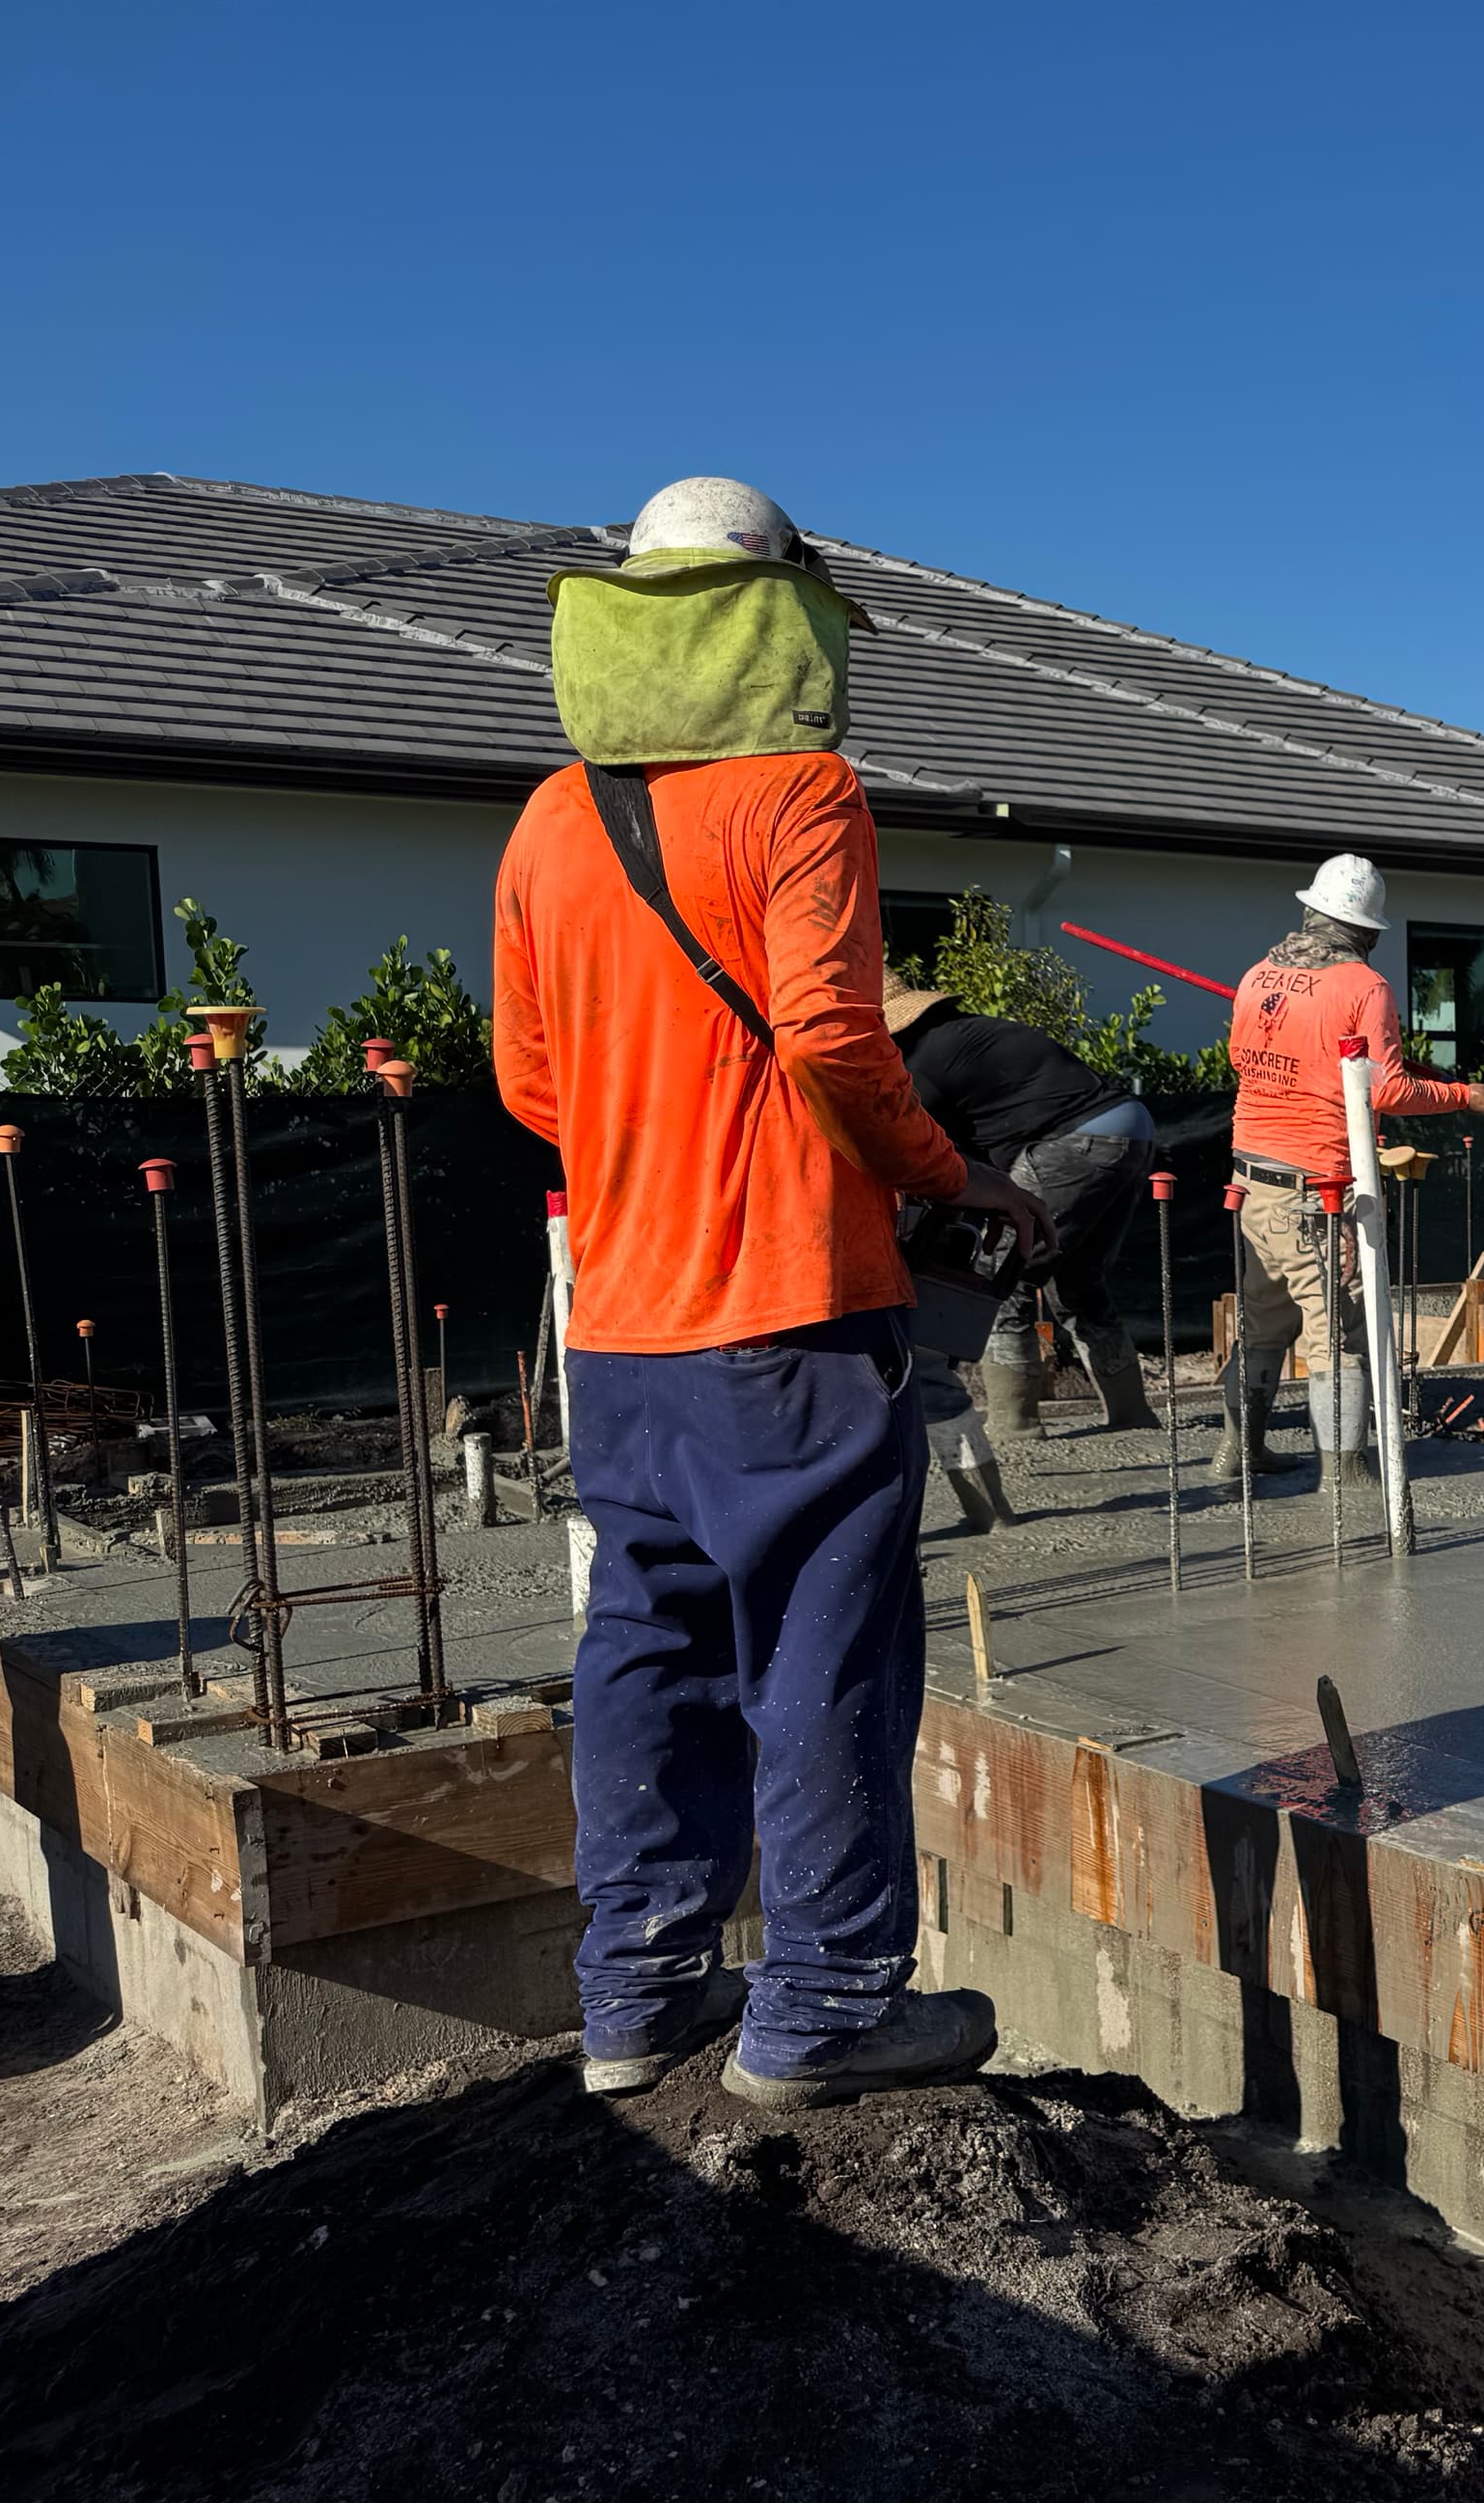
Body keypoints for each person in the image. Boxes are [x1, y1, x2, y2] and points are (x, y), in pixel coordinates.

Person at [496, 474, 1051, 2108]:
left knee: (644, 1643)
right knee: (826, 1644)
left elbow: (534, 1085)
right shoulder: (803, 795)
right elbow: (829, 1032)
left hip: (620, 1324)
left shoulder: (551, 818)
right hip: (794, 1313)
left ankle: (639, 1995)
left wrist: (655, 1136)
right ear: (779, 617)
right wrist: (951, 1178)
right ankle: (820, 2008)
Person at [1224, 853, 1484, 1472]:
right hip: (1318, 1186)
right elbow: (1387, 1090)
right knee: (1338, 1335)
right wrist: (1463, 1097)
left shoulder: (1257, 975)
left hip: (1250, 1177)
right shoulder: (1364, 987)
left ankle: (1236, 1454)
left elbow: (1244, 1057)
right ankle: (1342, 1477)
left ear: (1310, 910)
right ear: (1366, 930)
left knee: (1261, 1323)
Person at [884, 980, 1160, 1527]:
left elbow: (925, 1156)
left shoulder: (921, 1062)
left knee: (998, 1278)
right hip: (1130, 1127)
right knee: (1078, 1278)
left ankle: (1015, 1423)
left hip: (1073, 1142)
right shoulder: (967, 1034)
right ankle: (1131, 1413)